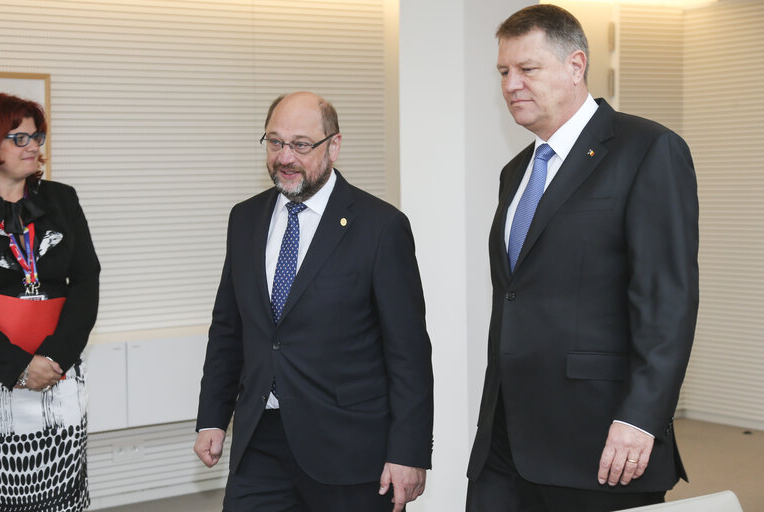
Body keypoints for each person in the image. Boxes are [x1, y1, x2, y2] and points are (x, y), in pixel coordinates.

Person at [466, 5, 699, 512]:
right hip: (504, 444)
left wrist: (641, 418)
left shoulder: (648, 149)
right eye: (503, 71)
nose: (510, 84)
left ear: (576, 66)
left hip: (599, 442)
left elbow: (667, 303)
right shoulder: (516, 171)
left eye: (527, 69)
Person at [194, 91, 433, 512]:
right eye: (275, 142)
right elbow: (229, 328)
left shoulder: (380, 227)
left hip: (349, 450)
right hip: (260, 441)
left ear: (333, 146)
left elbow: (408, 352)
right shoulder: (245, 218)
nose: (285, 157)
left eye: (301, 145)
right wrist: (212, 417)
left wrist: (408, 451)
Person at [0, 92, 100, 511]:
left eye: (36, 136)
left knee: (61, 495)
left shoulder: (61, 199)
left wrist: (54, 358)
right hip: (0, 372)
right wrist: (19, 366)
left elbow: (86, 280)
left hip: (58, 373)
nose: (33, 146)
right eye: (19, 138)